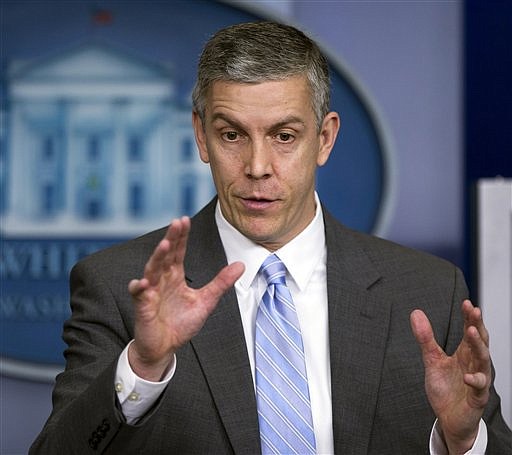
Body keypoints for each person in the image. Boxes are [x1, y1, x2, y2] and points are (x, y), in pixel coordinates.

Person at [30, 21, 511, 454]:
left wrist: (462, 439)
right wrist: (142, 366)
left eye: (284, 136)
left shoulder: (428, 291)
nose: (258, 167)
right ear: (201, 136)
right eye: (232, 135)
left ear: (324, 139)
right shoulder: (118, 286)